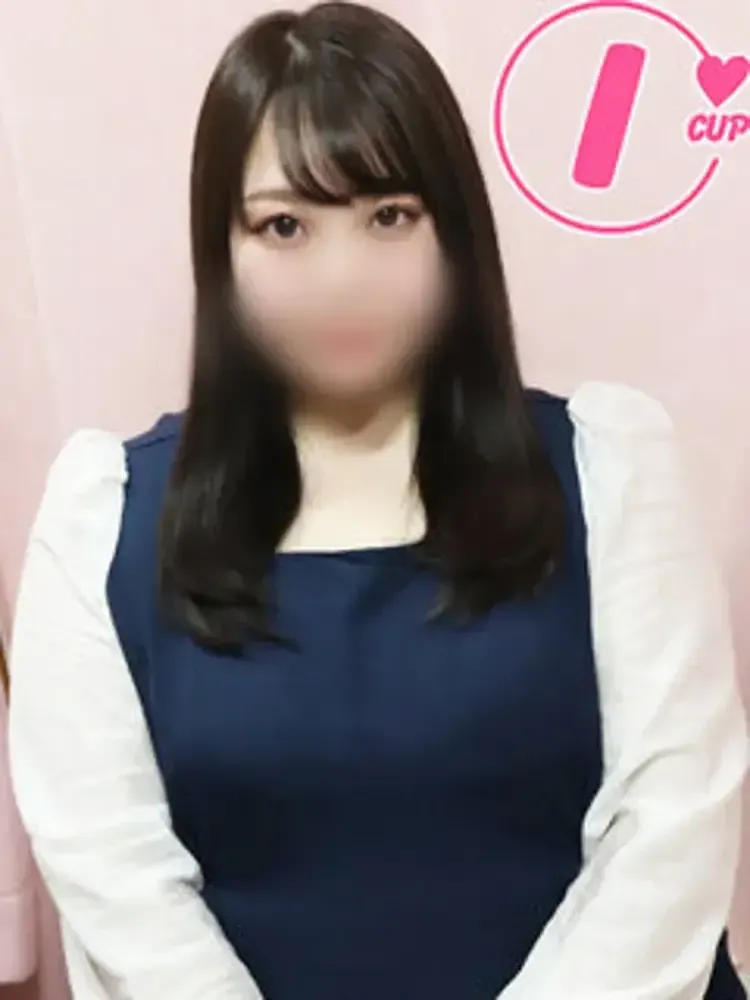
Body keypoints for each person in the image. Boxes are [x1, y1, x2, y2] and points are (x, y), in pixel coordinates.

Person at [6, 3, 749, 999]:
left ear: (454, 230)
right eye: (284, 226)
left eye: (389, 216)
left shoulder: (610, 468)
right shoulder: (107, 515)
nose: (342, 276)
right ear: (221, 250)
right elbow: (113, 876)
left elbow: (671, 825)